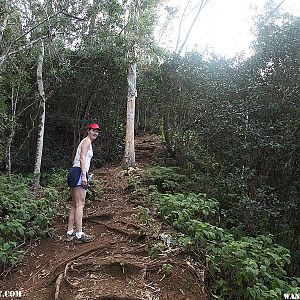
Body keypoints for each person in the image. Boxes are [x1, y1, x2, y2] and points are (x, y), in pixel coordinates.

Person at [65, 123, 100, 243]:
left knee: (75, 204)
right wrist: (84, 175)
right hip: (79, 172)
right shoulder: (86, 141)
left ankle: (70, 232)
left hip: (74, 172)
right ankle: (79, 235)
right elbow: (82, 158)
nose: (95, 133)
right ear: (88, 130)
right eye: (93, 131)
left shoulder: (85, 141)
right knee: (80, 204)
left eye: (97, 131)